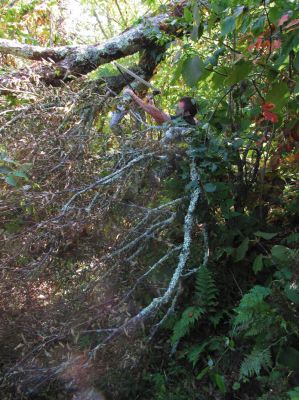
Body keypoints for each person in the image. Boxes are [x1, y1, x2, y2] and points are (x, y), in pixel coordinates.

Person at [123, 88, 198, 126]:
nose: (176, 109)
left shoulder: (187, 123)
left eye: (179, 108)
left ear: (187, 113)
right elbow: (161, 120)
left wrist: (132, 95)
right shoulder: (181, 119)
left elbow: (157, 113)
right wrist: (152, 106)